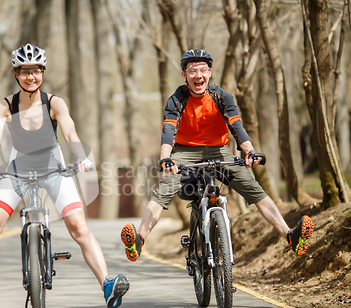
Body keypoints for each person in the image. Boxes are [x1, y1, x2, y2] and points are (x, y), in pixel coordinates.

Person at [0, 44, 129, 308]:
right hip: (18, 170)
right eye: (25, 72)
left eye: (36, 71)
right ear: (16, 74)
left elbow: (70, 132)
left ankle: (107, 284)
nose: (31, 77)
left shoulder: (54, 102)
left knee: (79, 227)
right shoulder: (5, 106)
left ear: (43, 72)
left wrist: (82, 157)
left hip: (53, 168)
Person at [121, 49, 314, 262]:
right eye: (193, 71)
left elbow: (237, 128)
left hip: (219, 151)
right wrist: (166, 158)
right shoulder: (176, 99)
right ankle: (138, 242)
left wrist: (249, 152)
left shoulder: (221, 97)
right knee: (164, 190)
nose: (199, 75)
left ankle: (290, 236)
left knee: (254, 189)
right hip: (185, 151)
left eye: (203, 70)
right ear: (184, 74)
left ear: (210, 73)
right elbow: (168, 131)